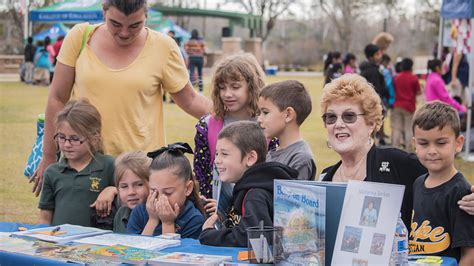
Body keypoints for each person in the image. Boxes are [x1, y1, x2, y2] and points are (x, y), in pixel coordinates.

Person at [31, 0, 211, 197]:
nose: (124, 33)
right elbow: (57, 98)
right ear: (104, 11)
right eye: (115, 24)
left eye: (135, 25)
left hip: (141, 172)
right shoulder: (80, 37)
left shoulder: (163, 46)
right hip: (84, 166)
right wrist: (48, 155)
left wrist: (236, 117)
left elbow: (191, 100)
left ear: (146, 17)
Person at [319, 74, 474, 228]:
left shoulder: (398, 163)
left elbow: (452, 184)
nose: (338, 124)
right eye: (331, 117)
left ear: (371, 123)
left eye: (349, 116)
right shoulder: (325, 178)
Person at [199, 121, 298, 247]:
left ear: (250, 158)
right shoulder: (247, 188)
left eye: (224, 154)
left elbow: (252, 237)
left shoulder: (255, 195)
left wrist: (210, 235)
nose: (217, 160)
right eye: (217, 154)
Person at [194, 53, 270, 200]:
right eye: (222, 88)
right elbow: (201, 175)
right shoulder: (207, 126)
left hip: (255, 209)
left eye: (235, 87)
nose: (227, 94)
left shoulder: (268, 126)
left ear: (252, 87)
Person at [410, 101, 474, 264]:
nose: (432, 151)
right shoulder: (418, 183)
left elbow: (470, 254)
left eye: (441, 143)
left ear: (458, 143)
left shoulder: (460, 192)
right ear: (415, 144)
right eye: (423, 143)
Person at [38, 99, 115, 227]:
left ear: (94, 138)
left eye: (75, 139)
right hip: (59, 244)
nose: (67, 144)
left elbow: (134, 193)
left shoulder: (110, 165)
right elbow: (44, 219)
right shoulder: (52, 173)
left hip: (99, 245)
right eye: (62, 137)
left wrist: (112, 190)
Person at [127, 142, 205, 239]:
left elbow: (172, 253)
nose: (160, 199)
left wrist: (167, 223)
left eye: (168, 192)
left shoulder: (194, 220)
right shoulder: (139, 213)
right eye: (154, 191)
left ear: (188, 188)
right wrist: (152, 220)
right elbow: (136, 251)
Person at [257, 80, 316, 180]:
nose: (259, 119)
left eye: (265, 112)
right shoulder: (272, 151)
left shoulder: (300, 158)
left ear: (288, 115)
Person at [113, 151, 151, 233]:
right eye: (124, 186)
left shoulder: (160, 214)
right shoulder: (121, 213)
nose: (131, 192)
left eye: (139, 184)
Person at [359, 44, 389, 145]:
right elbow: (376, 88)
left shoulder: (370, 68)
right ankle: (370, 145)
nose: (380, 56)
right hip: (371, 102)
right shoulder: (372, 70)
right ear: (371, 57)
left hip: (369, 101)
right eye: (377, 54)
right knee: (372, 123)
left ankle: (377, 141)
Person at [391, 58, 420, 151]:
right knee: (408, 128)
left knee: (397, 128)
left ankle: (395, 148)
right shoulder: (414, 78)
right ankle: (408, 149)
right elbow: (418, 92)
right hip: (409, 106)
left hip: (397, 104)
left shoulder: (396, 78)